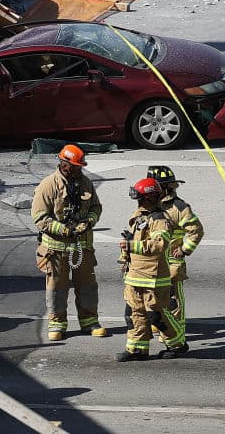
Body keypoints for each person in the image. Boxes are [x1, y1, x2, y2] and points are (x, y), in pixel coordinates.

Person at [32, 143, 109, 341]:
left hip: (82, 246)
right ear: (63, 163)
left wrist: (89, 222)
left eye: (79, 166)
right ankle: (57, 323)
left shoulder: (86, 183)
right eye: (74, 166)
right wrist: (64, 229)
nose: (77, 170)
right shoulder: (48, 185)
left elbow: (96, 207)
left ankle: (90, 321)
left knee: (87, 285)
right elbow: (39, 217)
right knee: (57, 287)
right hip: (55, 249)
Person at [117, 178, 177, 362]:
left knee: (155, 315)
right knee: (135, 313)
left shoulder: (160, 220)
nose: (138, 202)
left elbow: (159, 245)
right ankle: (137, 350)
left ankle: (176, 344)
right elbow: (130, 239)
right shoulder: (140, 215)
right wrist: (123, 258)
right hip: (135, 275)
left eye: (141, 199)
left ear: (150, 198)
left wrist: (131, 246)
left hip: (153, 277)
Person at [147, 165, 204, 357]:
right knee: (153, 298)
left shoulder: (179, 208)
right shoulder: (150, 205)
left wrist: (184, 250)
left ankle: (176, 337)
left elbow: (196, 230)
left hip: (172, 263)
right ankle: (160, 327)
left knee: (173, 301)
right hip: (152, 263)